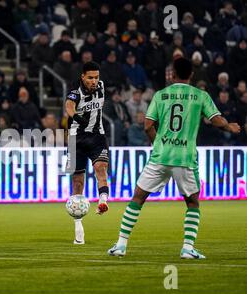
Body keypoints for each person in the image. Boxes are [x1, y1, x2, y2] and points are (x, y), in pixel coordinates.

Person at [108, 58, 241, 259]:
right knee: (192, 203)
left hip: (160, 156)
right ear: (191, 75)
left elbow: (147, 125)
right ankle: (187, 248)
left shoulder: (161, 95)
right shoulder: (200, 95)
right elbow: (215, 119)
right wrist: (229, 126)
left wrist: (157, 143)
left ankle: (120, 245)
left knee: (138, 198)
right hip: (185, 158)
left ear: (172, 74)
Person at [65, 61, 110, 244]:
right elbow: (69, 106)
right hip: (76, 139)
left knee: (101, 167)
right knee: (78, 182)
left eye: (96, 77)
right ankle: (78, 226)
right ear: (82, 77)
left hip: (97, 136)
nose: (94, 81)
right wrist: (76, 116)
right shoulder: (75, 93)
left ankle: (103, 201)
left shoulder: (101, 86)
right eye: (90, 77)